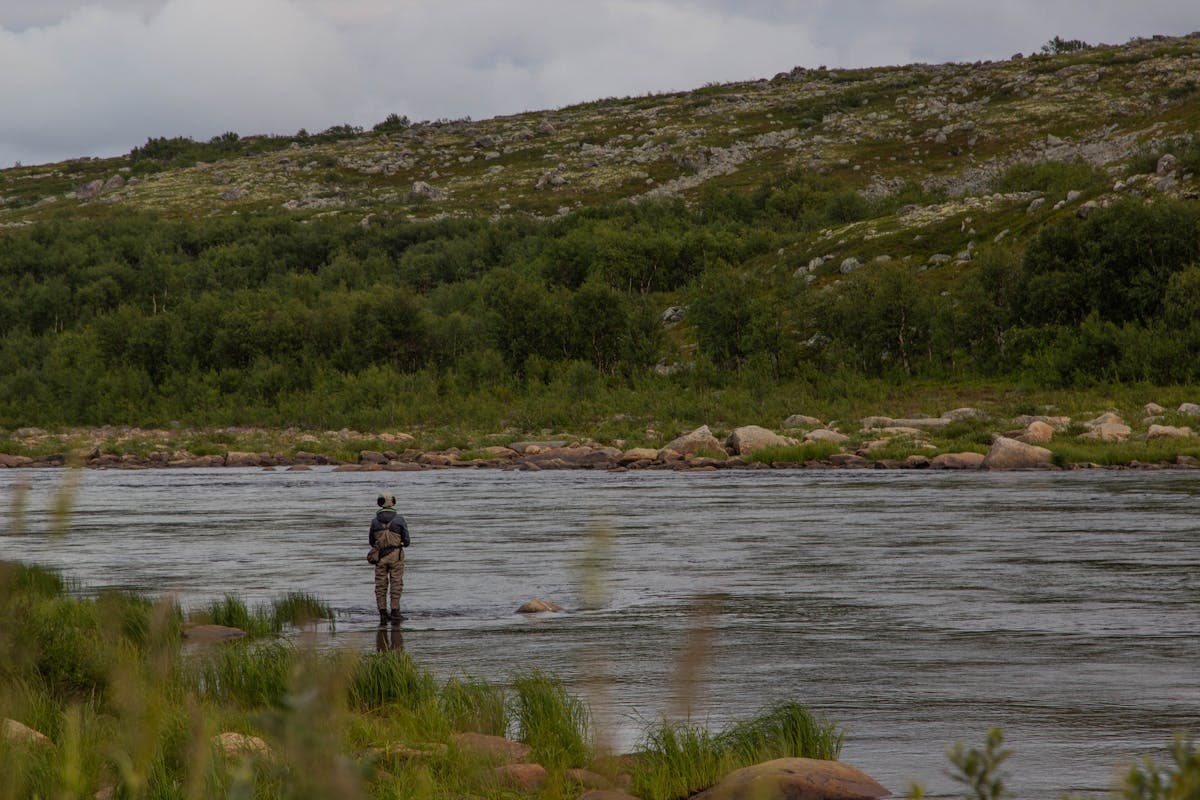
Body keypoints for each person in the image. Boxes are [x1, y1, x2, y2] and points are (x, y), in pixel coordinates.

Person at [369, 492, 410, 625]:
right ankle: (395, 612)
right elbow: (407, 541)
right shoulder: (400, 520)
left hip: (380, 557)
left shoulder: (374, 521)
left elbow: (371, 541)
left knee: (380, 584)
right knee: (396, 583)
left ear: (380, 503)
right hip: (396, 556)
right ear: (393, 502)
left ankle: (382, 613)